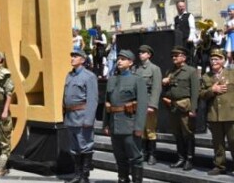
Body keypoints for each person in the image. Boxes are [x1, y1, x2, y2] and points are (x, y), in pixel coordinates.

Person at [103, 50, 148, 183]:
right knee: (119, 157)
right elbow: (107, 104)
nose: (119, 61)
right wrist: (106, 124)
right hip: (115, 125)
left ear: (130, 62)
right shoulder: (112, 79)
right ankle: (122, 179)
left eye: (123, 59)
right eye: (118, 59)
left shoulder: (137, 80)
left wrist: (139, 127)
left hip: (130, 125)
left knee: (135, 157)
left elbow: (142, 105)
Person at [63, 49, 98, 183]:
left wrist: (89, 119)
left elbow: (92, 99)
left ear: (83, 60)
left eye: (75, 56)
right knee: (74, 148)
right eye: (72, 56)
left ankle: (84, 177)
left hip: (83, 117)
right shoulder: (69, 75)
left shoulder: (89, 76)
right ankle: (77, 175)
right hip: (71, 117)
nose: (72, 58)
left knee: (85, 146)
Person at [162, 45, 199, 171]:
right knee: (177, 134)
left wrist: (193, 109)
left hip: (185, 107)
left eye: (176, 56)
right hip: (173, 107)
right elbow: (167, 89)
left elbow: (195, 92)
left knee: (187, 134)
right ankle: (181, 158)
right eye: (172, 56)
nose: (173, 58)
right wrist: (164, 86)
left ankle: (189, 159)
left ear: (183, 57)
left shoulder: (191, 71)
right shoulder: (170, 71)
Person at [199, 48, 234, 176]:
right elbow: (201, 94)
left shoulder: (232, 73)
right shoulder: (206, 76)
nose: (213, 61)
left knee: (233, 141)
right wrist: (212, 90)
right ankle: (220, 166)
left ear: (223, 60)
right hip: (214, 115)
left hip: (231, 114)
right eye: (212, 59)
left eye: (217, 59)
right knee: (217, 143)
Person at [135, 45, 162, 166]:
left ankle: (152, 154)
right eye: (140, 52)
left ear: (149, 55)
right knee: (141, 129)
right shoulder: (137, 69)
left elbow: (156, 88)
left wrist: (152, 105)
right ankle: (143, 152)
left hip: (148, 103)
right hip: (138, 103)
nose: (140, 54)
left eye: (143, 52)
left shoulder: (154, 69)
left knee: (150, 130)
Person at [174, 0, 196, 65]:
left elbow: (192, 28)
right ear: (177, 7)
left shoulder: (189, 15)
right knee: (180, 56)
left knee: (188, 57)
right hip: (179, 41)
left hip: (187, 40)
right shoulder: (176, 18)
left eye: (183, 6)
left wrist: (190, 38)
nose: (182, 8)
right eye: (180, 6)